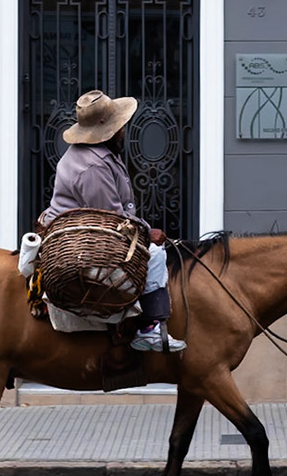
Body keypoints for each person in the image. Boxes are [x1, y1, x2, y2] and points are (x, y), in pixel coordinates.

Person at [39, 89, 185, 353]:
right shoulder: (93, 167)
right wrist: (147, 232)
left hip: (85, 228)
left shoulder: (93, 153)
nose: (123, 131)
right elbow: (112, 218)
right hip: (86, 239)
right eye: (120, 127)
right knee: (157, 254)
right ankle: (149, 329)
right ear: (112, 131)